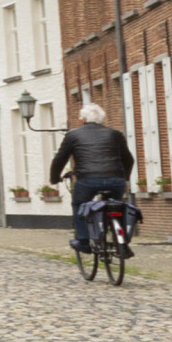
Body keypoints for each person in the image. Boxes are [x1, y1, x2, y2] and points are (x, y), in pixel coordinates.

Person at [48, 99, 136, 257]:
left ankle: (83, 242)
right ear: (102, 120)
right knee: (118, 206)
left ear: (83, 119)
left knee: (79, 204)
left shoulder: (73, 135)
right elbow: (129, 160)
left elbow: (60, 159)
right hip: (116, 180)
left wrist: (54, 178)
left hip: (87, 180)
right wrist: (124, 179)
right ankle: (122, 242)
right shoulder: (115, 134)